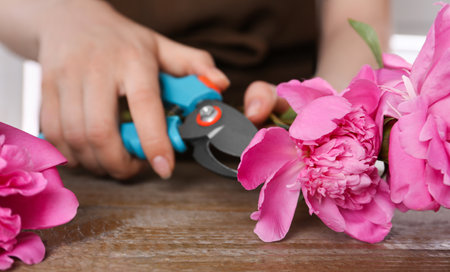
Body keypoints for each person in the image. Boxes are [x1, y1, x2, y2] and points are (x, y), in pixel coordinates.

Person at [0, 0, 390, 180]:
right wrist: (64, 15)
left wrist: (327, 111)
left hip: (285, 130)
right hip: (84, 124)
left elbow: (358, 13)